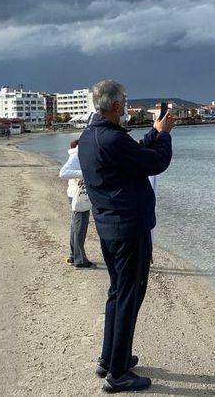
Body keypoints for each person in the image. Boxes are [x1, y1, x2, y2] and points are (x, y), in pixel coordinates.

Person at [78, 80, 174, 393]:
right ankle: (117, 374)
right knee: (128, 296)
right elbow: (155, 162)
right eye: (126, 101)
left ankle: (110, 359)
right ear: (117, 106)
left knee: (118, 293)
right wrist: (165, 135)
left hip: (111, 227)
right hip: (128, 228)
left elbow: (134, 155)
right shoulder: (112, 140)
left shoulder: (91, 136)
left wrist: (155, 133)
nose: (128, 105)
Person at [59, 139, 94, 268]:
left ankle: (73, 256)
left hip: (76, 195)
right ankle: (80, 260)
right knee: (80, 227)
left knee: (76, 226)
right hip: (78, 196)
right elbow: (63, 173)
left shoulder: (79, 155)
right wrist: (85, 174)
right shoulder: (76, 156)